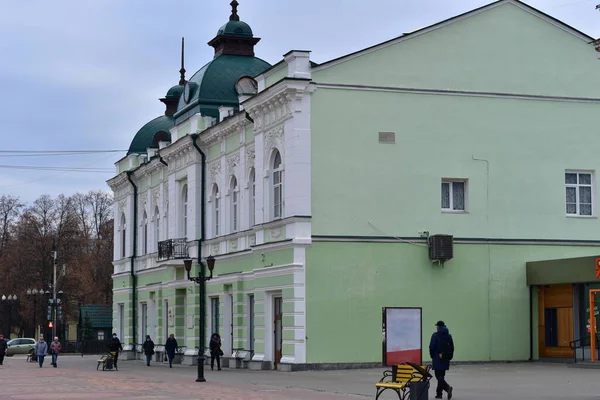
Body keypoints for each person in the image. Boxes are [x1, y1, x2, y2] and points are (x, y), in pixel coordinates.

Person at [429, 321, 454, 399]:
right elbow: (452, 347)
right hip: (446, 358)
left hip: (437, 358)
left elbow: (432, 347)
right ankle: (439, 394)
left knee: (438, 376)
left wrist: (432, 355)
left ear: (438, 327)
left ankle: (447, 388)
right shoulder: (449, 336)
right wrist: (448, 356)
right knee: (441, 376)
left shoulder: (435, 335)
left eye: (437, 326)